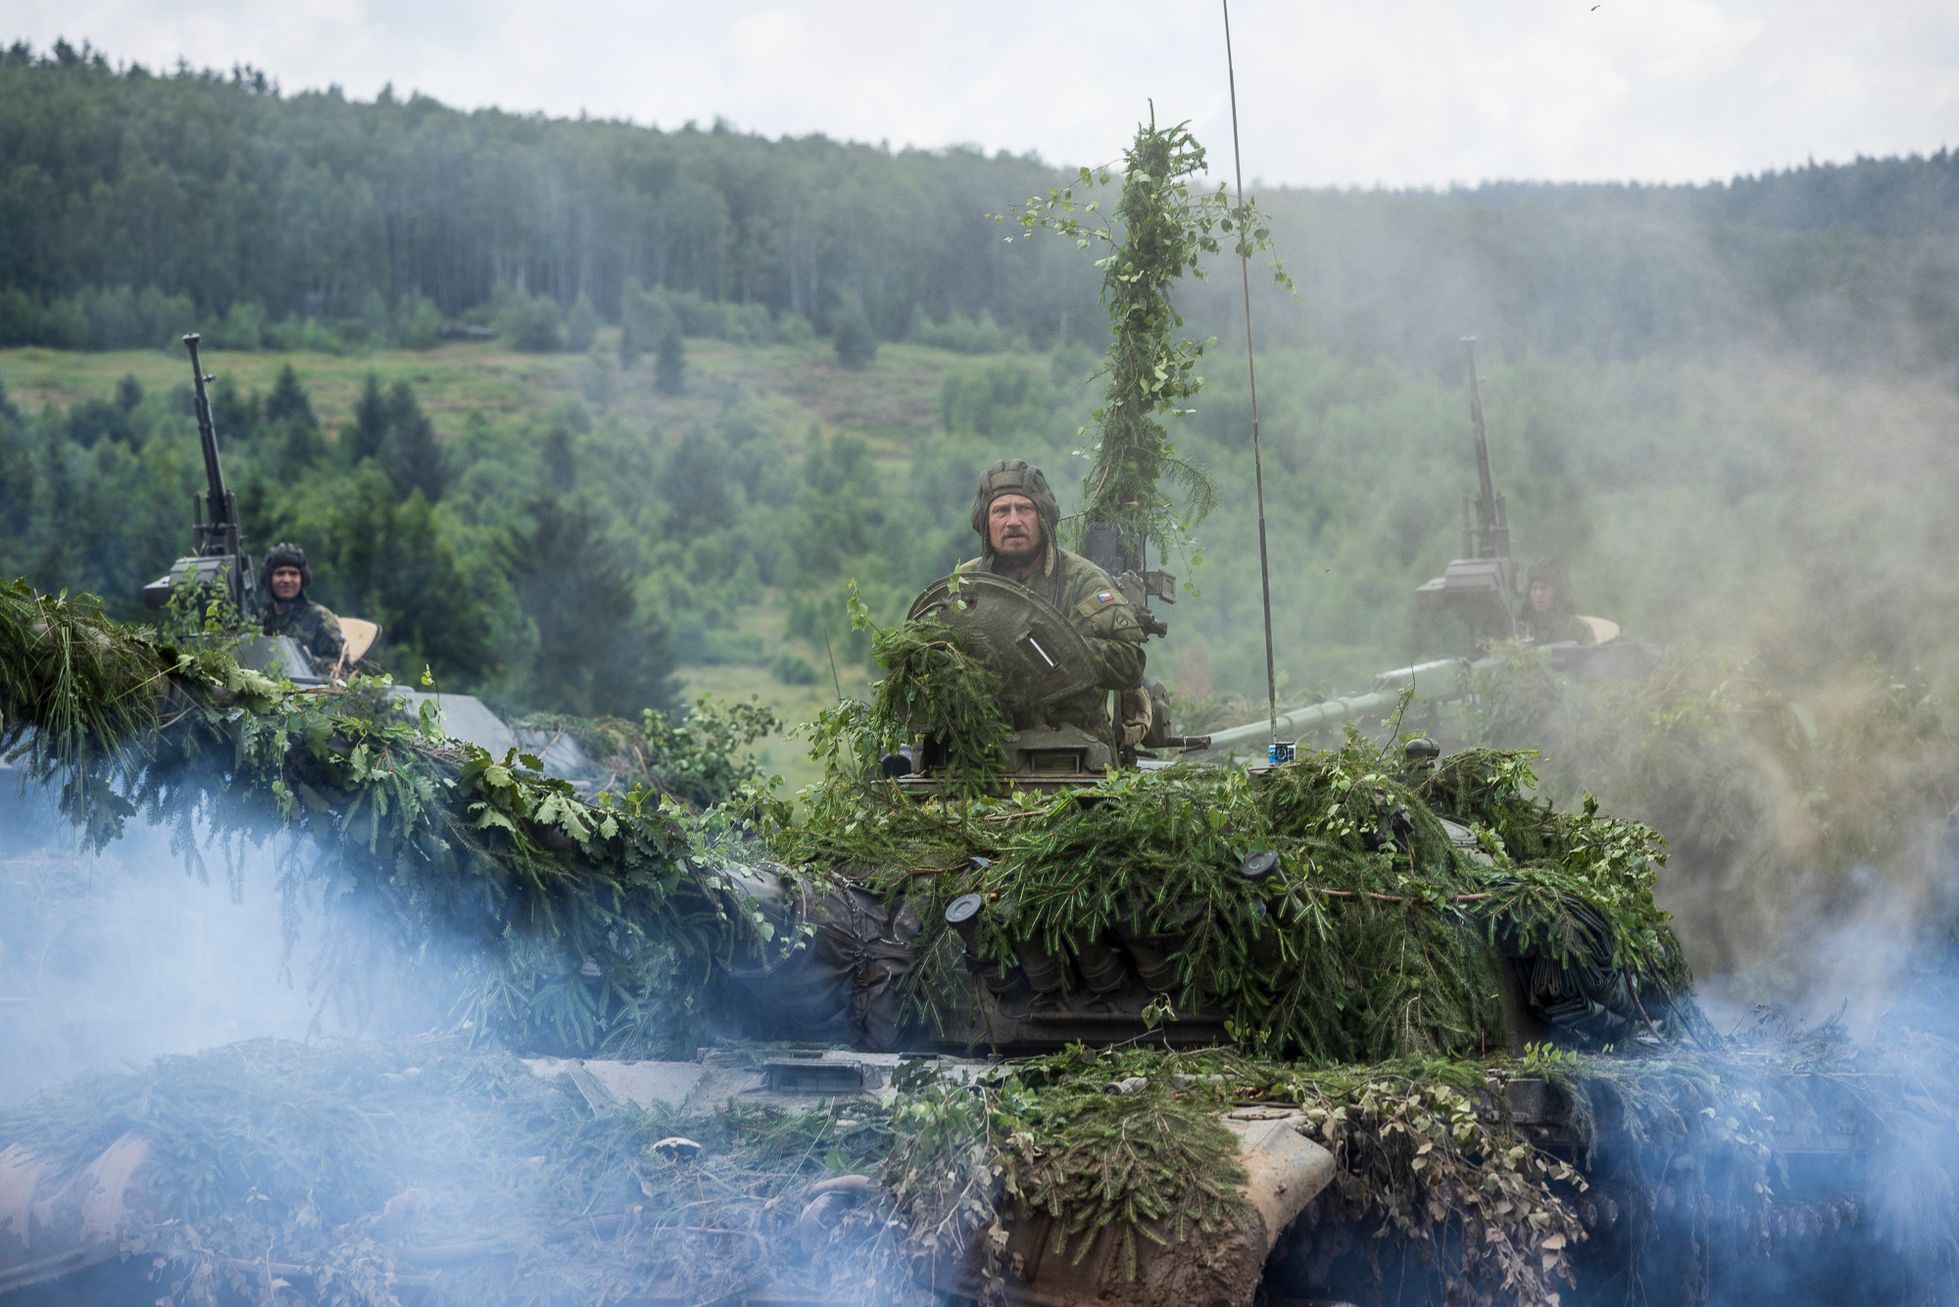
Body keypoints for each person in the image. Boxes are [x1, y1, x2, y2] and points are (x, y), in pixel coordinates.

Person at [956, 459, 1145, 736]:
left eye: (1024, 509)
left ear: (1042, 518)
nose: (1013, 521)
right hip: (982, 750)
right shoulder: (966, 584)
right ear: (984, 522)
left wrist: (1062, 648)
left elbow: (1130, 662)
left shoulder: (1082, 580)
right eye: (1000, 511)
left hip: (1074, 750)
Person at [259, 541, 346, 667]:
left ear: (302, 578)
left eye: (293, 573)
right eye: (280, 573)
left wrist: (309, 661)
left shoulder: (320, 618)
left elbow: (343, 669)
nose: (287, 580)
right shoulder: (259, 619)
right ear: (269, 578)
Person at [1516, 558, 1594, 645]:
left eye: (1544, 588)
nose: (1538, 594)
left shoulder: (1579, 629)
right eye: (1534, 588)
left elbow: (1592, 657)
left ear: (1558, 593)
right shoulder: (1522, 629)